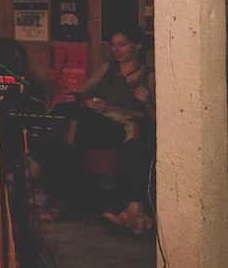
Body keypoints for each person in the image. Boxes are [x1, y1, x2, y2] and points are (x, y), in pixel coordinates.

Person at [47, 26, 156, 235]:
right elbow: (80, 94)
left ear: (138, 45)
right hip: (99, 122)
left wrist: (145, 101)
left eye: (122, 45)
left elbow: (153, 119)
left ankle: (39, 173)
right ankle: (48, 177)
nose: (116, 49)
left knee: (70, 118)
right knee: (64, 111)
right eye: (113, 45)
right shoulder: (107, 70)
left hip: (122, 126)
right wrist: (78, 99)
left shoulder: (148, 75)